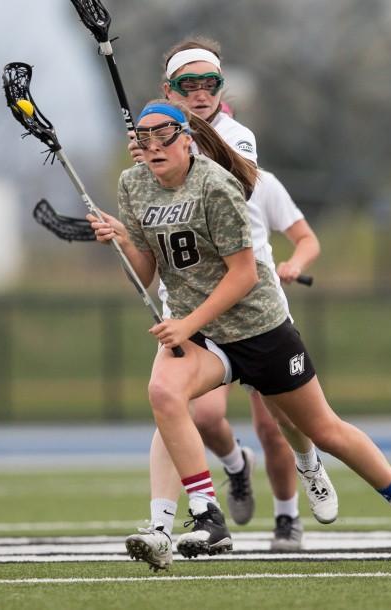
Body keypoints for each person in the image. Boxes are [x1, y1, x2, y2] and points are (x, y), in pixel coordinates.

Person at [93, 100, 391, 571]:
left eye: (165, 136)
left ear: (188, 139)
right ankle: (207, 515)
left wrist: (188, 322)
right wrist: (123, 241)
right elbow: (147, 275)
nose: (154, 147)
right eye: (145, 139)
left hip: (258, 327)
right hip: (204, 333)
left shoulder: (216, 185)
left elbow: (244, 275)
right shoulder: (132, 185)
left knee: (325, 430)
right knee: (163, 390)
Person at [123, 37, 337, 569]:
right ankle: (184, 509)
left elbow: (221, 187)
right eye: (185, 86)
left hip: (248, 297)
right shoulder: (159, 137)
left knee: (281, 421)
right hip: (192, 304)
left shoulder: (236, 137)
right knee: (180, 407)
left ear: (222, 90)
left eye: (207, 85)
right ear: (169, 89)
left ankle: (306, 468)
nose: (198, 94)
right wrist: (155, 149)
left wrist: (161, 146)